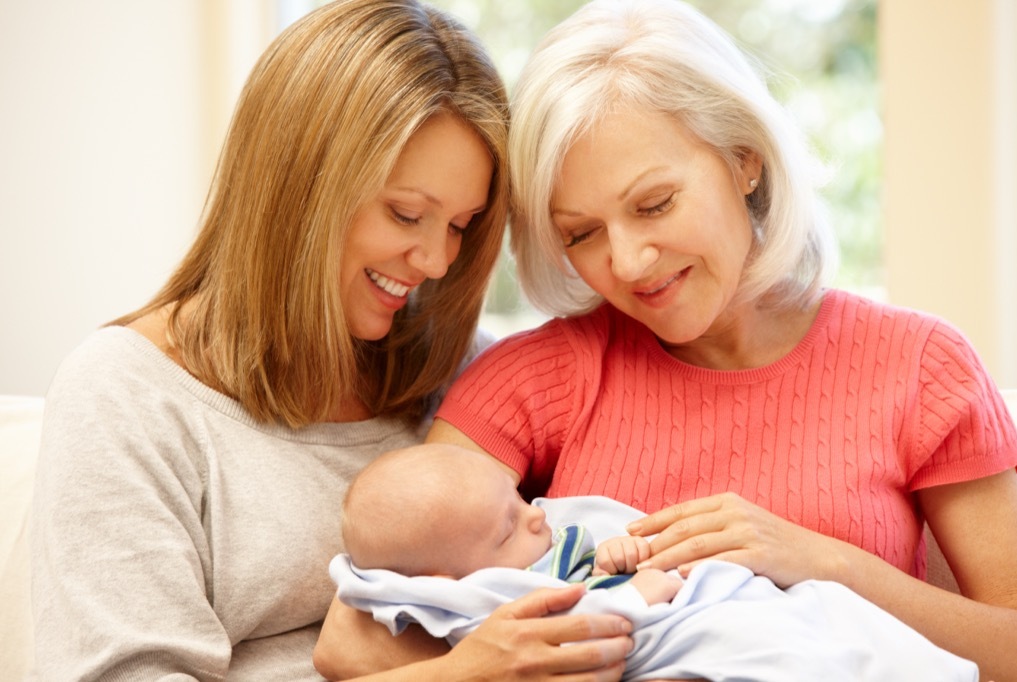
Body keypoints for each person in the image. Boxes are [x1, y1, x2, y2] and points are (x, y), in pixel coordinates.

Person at [314, 0, 1017, 680]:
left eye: (654, 204)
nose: (626, 263)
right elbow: (355, 637)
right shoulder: (536, 377)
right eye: (581, 234)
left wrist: (824, 563)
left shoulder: (923, 367)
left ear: (745, 160)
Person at [29, 1, 639, 680]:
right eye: (407, 213)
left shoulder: (467, 376)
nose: (437, 262)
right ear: (299, 187)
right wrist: (455, 674)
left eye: (461, 225)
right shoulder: (127, 397)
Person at [333, 443, 977, 682]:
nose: (536, 515)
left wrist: (626, 552)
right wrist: (638, 589)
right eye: (579, 231)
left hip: (731, 594)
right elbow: (584, 618)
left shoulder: (534, 533)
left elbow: (608, 543)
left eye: (654, 203)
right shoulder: (482, 592)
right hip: (676, 635)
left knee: (829, 618)